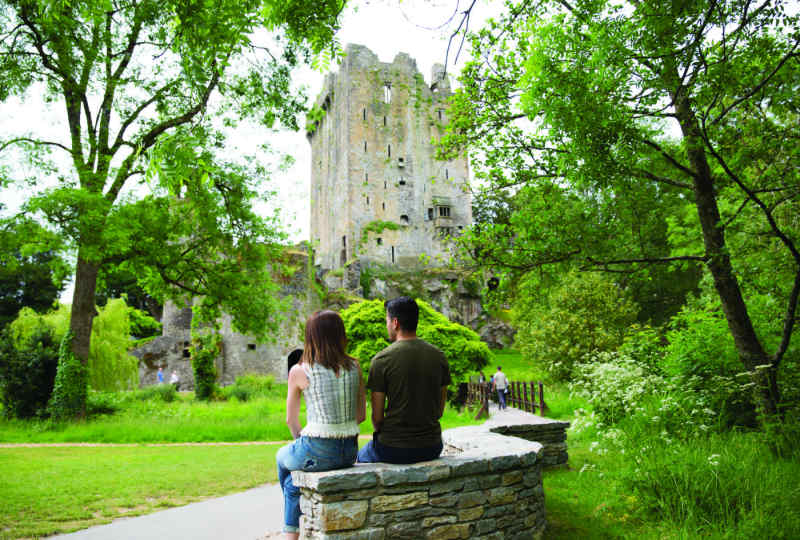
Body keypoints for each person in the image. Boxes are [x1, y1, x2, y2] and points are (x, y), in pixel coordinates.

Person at [276, 311, 366, 539]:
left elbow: (291, 420)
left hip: (317, 448)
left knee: (281, 459)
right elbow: (361, 415)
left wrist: (303, 444)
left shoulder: (300, 370)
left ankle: (290, 534)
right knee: (292, 481)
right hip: (349, 451)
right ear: (340, 335)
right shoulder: (355, 367)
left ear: (311, 337)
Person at [357, 296, 451, 464]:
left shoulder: (381, 360)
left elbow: (377, 419)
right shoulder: (439, 356)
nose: (386, 325)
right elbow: (439, 412)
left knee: (356, 459)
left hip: (392, 448)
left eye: (386, 320)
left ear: (395, 323)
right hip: (433, 446)